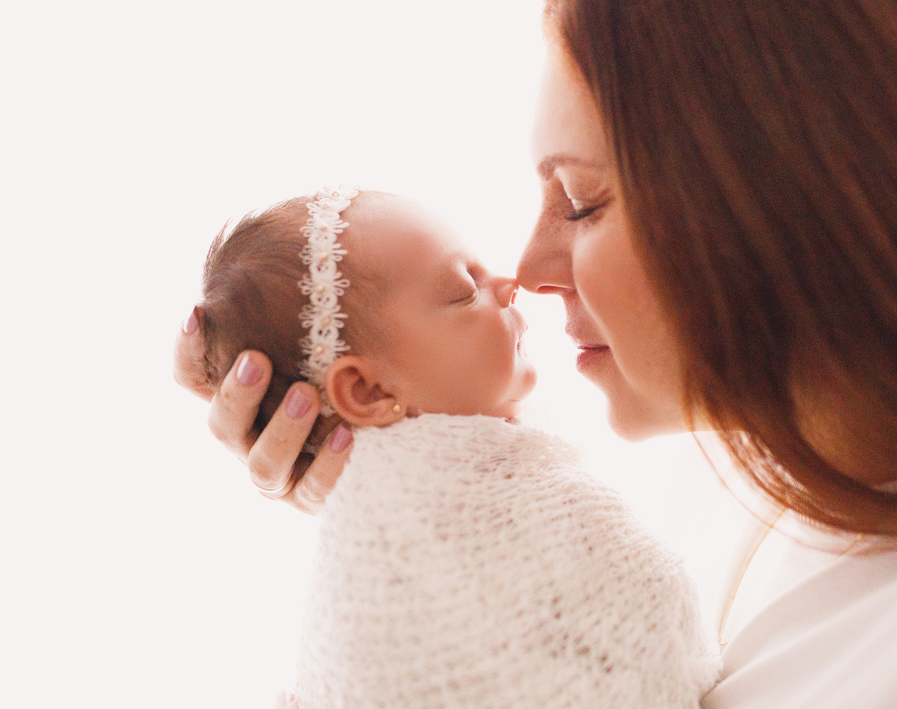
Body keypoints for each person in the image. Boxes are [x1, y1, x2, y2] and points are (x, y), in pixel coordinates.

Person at [175, 0, 897, 706]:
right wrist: (397, 524)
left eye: (580, 200)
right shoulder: (751, 507)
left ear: (785, 194)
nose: (527, 267)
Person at [192, 188, 718, 708]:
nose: (513, 282)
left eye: (582, 203)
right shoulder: (402, 552)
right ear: (368, 390)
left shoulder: (518, 475)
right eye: (466, 289)